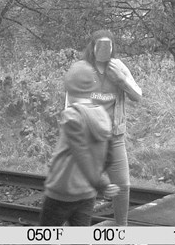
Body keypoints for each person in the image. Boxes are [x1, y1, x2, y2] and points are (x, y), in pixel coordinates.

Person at [64, 29, 142, 226]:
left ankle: (121, 227)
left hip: (114, 137)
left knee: (122, 185)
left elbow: (138, 96)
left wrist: (121, 80)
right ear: (93, 47)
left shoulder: (118, 67)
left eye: (109, 46)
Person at [40, 60, 120, 226]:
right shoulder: (102, 115)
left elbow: (82, 154)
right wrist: (102, 181)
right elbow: (109, 155)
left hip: (61, 191)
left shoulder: (71, 117)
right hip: (87, 193)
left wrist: (101, 183)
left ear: (69, 87)